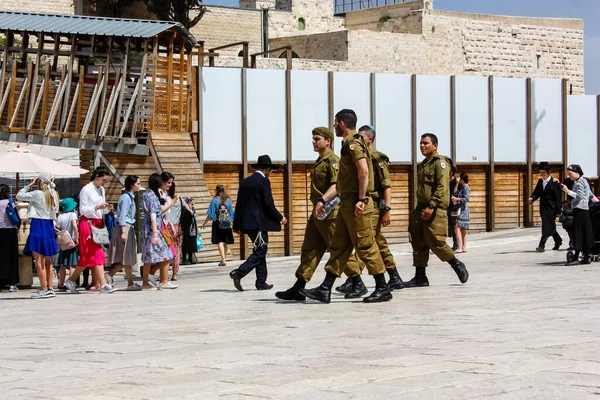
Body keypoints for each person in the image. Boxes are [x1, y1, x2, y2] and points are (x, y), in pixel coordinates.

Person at [301, 109, 392, 304]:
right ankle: (325, 288)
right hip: (346, 203)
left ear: (342, 123)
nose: (334, 126)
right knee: (339, 246)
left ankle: (383, 287)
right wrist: (324, 200)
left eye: (335, 123)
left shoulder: (352, 142)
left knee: (366, 245)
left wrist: (361, 199)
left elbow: (364, 171)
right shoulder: (349, 143)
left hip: (356, 203)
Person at [336, 124, 405, 298]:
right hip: (364, 204)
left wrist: (386, 209)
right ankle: (391, 276)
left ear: (370, 138)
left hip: (371, 204)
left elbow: (386, 186)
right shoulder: (359, 154)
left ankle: (359, 279)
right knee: (375, 241)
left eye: (362, 136)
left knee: (366, 242)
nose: (358, 139)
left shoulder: (376, 158)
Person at [275, 127, 339, 301]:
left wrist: (322, 200)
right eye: (313, 138)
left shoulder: (333, 161)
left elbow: (336, 186)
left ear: (328, 141)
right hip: (318, 213)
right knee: (309, 250)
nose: (313, 141)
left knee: (338, 249)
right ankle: (299, 286)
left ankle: (356, 281)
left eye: (317, 138)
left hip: (330, 213)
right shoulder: (319, 161)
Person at [404, 133, 469, 287]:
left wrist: (431, 206)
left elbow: (441, 187)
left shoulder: (441, 163)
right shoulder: (423, 164)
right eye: (420, 143)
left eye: (425, 143)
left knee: (436, 241)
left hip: (435, 208)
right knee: (418, 241)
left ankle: (456, 264)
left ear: (435, 146)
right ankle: (420, 276)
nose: (422, 146)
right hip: (421, 208)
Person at [229, 154, 287, 291]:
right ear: (267, 169)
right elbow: (268, 204)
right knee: (261, 251)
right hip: (258, 224)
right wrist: (280, 217)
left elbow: (239, 205)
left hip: (247, 223)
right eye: (271, 170)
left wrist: (236, 226)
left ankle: (261, 282)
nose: (271, 173)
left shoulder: (245, 182)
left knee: (259, 250)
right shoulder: (263, 181)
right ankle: (239, 272)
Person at [64, 167, 116, 294]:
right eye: (103, 180)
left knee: (88, 256)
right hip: (87, 223)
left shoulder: (101, 190)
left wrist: (107, 209)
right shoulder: (86, 190)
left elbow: (100, 210)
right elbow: (83, 210)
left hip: (97, 222)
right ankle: (103, 284)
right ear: (97, 176)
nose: (104, 183)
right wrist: (97, 206)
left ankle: (71, 280)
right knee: (96, 252)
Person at [17, 173, 60, 299]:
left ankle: (44, 288)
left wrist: (29, 185)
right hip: (48, 226)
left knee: (39, 260)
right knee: (48, 261)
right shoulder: (54, 195)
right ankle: (50, 288)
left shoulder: (38, 194)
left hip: (38, 225)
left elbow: (19, 195)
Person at [105, 175, 142, 291]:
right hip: (125, 227)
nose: (139, 186)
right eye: (138, 184)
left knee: (128, 257)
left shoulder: (130, 197)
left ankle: (128, 282)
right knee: (126, 256)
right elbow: (122, 216)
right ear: (132, 185)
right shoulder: (126, 198)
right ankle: (112, 275)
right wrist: (123, 232)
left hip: (128, 227)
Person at [141, 173, 177, 289]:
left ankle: (146, 282)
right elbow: (153, 214)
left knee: (148, 257)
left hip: (149, 228)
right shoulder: (152, 196)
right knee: (167, 254)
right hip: (154, 228)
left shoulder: (147, 194)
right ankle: (164, 281)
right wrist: (155, 234)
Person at [560, 164, 597, 265]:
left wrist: (568, 191)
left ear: (577, 172)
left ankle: (576, 257)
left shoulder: (578, 183)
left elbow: (579, 196)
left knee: (578, 233)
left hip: (579, 210)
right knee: (585, 233)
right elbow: (589, 193)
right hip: (585, 210)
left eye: (570, 174)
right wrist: (596, 200)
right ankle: (586, 256)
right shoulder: (584, 180)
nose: (569, 176)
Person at [528, 162, 563, 252]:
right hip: (543, 208)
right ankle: (558, 240)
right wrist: (532, 198)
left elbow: (558, 198)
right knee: (550, 225)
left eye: (543, 172)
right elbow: (537, 193)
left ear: (548, 172)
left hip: (552, 208)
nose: (542, 174)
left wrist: (558, 211)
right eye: (540, 172)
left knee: (546, 226)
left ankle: (541, 245)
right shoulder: (540, 182)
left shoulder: (555, 182)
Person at [202, 185, 235, 267]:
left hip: (218, 223)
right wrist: (233, 223)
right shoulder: (228, 200)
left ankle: (223, 259)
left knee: (220, 241)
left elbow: (210, 214)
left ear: (217, 190)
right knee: (225, 242)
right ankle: (224, 258)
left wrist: (204, 223)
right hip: (227, 223)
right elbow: (231, 213)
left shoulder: (214, 200)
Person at [55, 198, 79, 291]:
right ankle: (71, 282)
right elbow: (74, 225)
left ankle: (61, 284)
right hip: (72, 242)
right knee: (72, 264)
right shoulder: (73, 215)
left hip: (63, 243)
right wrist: (77, 236)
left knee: (63, 265)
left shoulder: (60, 216)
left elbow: (57, 228)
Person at [0, 184, 20, 292]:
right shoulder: (10, 203)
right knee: (12, 257)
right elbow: (17, 219)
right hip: (10, 232)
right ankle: (12, 283)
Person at [166, 180, 186, 280]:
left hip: (167, 226)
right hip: (178, 227)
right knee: (176, 250)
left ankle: (163, 273)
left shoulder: (165, 199)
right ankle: (174, 274)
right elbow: (189, 210)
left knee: (165, 249)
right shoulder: (179, 198)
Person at [452, 173, 471, 253]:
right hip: (461, 209)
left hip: (463, 210)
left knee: (457, 228)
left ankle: (460, 247)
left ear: (462, 179)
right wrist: (456, 183)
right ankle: (463, 247)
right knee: (462, 229)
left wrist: (457, 199)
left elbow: (466, 199)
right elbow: (455, 192)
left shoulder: (466, 188)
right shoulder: (461, 187)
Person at [181, 197, 198, 265]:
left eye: (193, 204)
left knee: (192, 245)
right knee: (186, 245)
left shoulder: (193, 210)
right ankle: (185, 259)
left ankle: (191, 258)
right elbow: (183, 220)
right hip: (186, 230)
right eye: (191, 203)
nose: (192, 205)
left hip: (193, 230)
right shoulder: (185, 210)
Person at [448, 166, 459, 250]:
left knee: (454, 225)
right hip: (446, 205)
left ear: (451, 172)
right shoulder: (445, 181)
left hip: (453, 206)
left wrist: (456, 184)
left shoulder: (455, 181)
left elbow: (455, 193)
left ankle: (456, 244)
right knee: (450, 226)